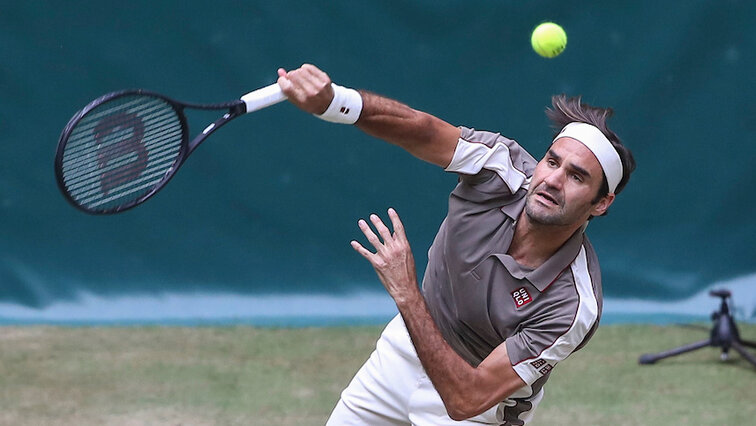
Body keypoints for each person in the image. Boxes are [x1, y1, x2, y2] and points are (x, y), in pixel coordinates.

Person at [277, 64, 636, 425]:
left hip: (475, 410)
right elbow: (423, 130)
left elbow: (467, 400)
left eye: (576, 176)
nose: (552, 181)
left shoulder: (573, 305)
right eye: (551, 162)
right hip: (401, 354)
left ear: (601, 202)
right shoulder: (501, 169)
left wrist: (406, 294)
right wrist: (336, 102)